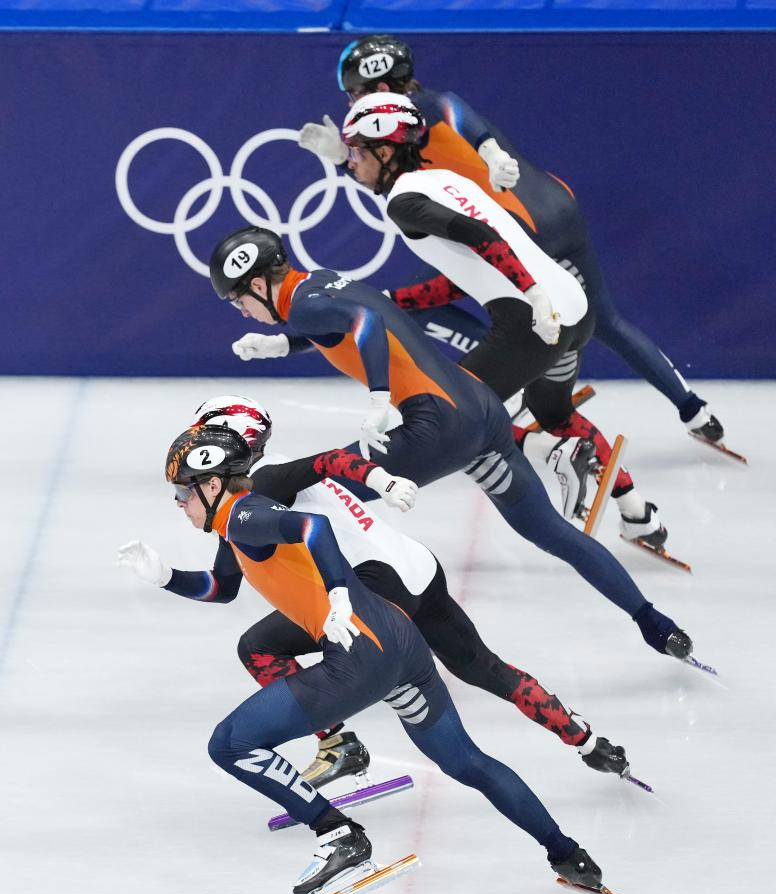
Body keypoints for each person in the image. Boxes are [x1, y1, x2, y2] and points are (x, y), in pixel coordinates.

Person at [123, 421, 609, 894]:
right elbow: (220, 588)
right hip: (399, 641)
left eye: (183, 492)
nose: (179, 503)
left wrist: (337, 596)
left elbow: (314, 527)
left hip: (359, 654)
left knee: (230, 744)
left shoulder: (243, 516)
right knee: (467, 762)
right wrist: (165, 576)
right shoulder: (236, 522)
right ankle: (569, 855)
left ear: (212, 485)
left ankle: (338, 834)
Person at [209, 224, 694, 665]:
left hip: (437, 427)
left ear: (258, 283)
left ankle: (291, 609)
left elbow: (368, 324)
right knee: (552, 532)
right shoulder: (320, 282)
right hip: (481, 408)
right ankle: (656, 623)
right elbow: (350, 320)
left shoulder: (304, 305)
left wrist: (379, 397)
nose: (242, 312)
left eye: (238, 301)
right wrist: (282, 344)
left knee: (287, 490)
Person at [297, 33, 724, 447]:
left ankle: (513, 370)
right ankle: (693, 410)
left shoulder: (415, 110)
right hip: (556, 205)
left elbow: (448, 112)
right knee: (606, 322)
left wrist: (489, 151)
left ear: (381, 89)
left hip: (519, 230)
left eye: (354, 94)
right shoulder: (408, 123)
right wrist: (344, 159)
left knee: (426, 300)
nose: (351, 104)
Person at [337, 90, 669, 549]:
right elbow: (472, 267)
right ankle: (638, 514)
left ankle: (556, 453)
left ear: (386, 151)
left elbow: (480, 236)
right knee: (555, 413)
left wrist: (532, 295)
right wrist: (396, 298)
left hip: (533, 321)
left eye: (356, 151)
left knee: (451, 416)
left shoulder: (404, 203)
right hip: (573, 310)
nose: (351, 162)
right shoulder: (447, 181)